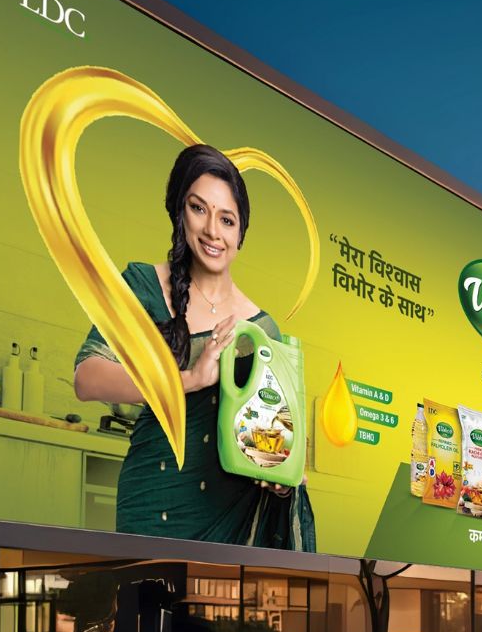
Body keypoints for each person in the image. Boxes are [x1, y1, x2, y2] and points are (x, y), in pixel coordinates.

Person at [74, 143, 316, 550]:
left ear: (241, 233)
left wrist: (279, 477)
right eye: (198, 209)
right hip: (153, 503)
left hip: (233, 519)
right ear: (178, 211)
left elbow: (268, 442)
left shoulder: (262, 328)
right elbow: (87, 378)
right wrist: (189, 378)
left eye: (227, 219)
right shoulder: (143, 285)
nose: (212, 232)